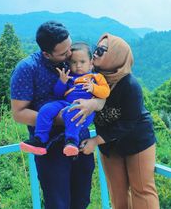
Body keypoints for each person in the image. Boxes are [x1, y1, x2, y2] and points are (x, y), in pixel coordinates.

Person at [10, 21, 105, 209]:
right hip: (49, 146)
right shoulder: (27, 68)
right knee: (58, 204)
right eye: (63, 53)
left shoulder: (77, 61)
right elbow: (18, 114)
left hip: (80, 141)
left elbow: (101, 93)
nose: (69, 55)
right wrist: (61, 118)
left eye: (69, 48)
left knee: (82, 201)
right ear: (46, 53)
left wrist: (93, 104)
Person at [79, 33, 160, 209]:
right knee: (117, 193)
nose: (95, 53)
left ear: (116, 56)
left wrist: (95, 141)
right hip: (109, 144)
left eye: (102, 50)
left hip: (136, 140)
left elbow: (129, 122)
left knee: (142, 191)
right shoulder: (91, 79)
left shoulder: (130, 85)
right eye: (96, 48)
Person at [20, 42, 110, 156]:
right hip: (66, 103)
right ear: (68, 63)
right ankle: (40, 140)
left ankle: (71, 141)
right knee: (47, 108)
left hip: (84, 109)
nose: (78, 66)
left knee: (73, 111)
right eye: (74, 62)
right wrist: (62, 82)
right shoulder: (68, 75)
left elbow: (105, 92)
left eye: (82, 62)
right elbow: (58, 94)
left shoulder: (96, 77)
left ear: (91, 63)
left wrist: (94, 88)